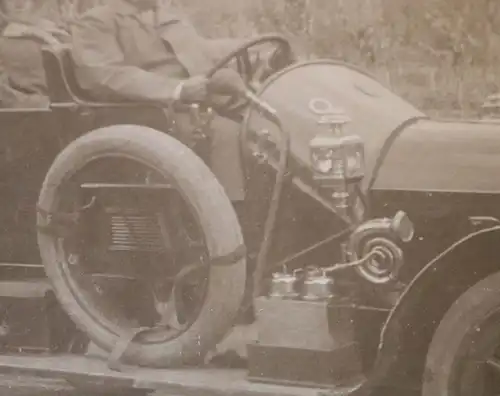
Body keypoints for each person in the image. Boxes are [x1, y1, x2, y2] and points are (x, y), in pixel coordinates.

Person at [70, 0, 253, 201]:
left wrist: (256, 53)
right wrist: (177, 89)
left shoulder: (167, 16)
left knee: (268, 123)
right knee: (227, 133)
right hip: (153, 114)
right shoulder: (97, 21)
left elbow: (202, 50)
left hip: (203, 103)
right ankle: (235, 218)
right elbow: (106, 76)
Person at [0, 0, 69, 107]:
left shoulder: (56, 32)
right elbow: (5, 95)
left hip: (69, 109)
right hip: (28, 114)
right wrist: (42, 104)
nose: (19, 3)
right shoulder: (4, 41)